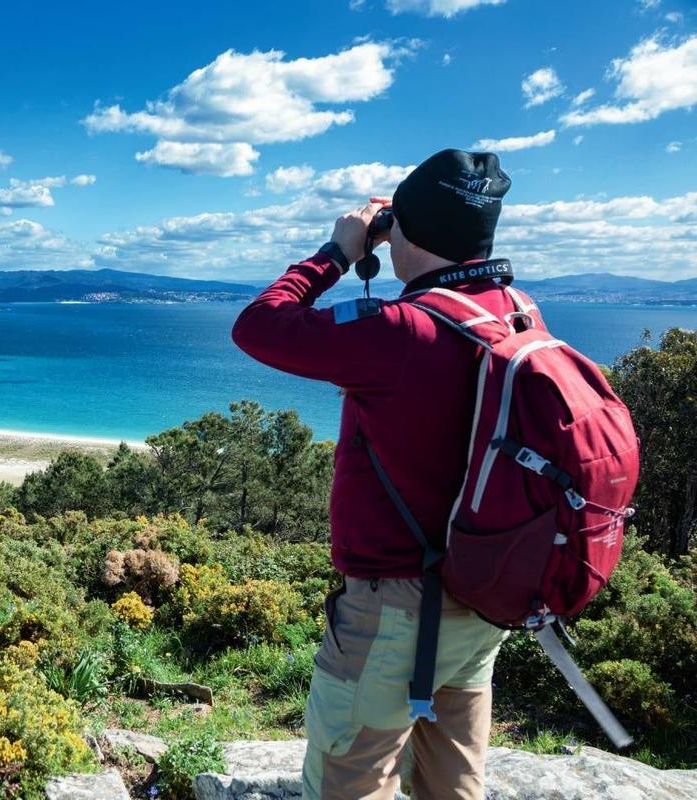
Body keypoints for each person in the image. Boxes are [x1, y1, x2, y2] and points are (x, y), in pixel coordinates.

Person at [231, 149, 521, 800]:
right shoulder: (515, 314)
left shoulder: (400, 331)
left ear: (400, 232)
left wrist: (335, 253)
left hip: (393, 612)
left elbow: (259, 326)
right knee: (454, 786)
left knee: (347, 785)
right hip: (484, 598)